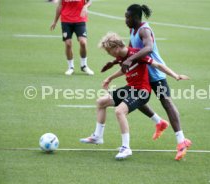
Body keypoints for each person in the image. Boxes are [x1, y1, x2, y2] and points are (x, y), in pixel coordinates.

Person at [101, 4, 192, 161]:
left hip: (156, 74)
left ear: (136, 17)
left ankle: (181, 141)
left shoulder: (144, 30)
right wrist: (114, 62)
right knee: (134, 99)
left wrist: (129, 60)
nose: (125, 20)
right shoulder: (133, 30)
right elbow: (128, 50)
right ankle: (159, 122)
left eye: (127, 17)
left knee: (167, 103)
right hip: (142, 75)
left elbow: (148, 48)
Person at [80, 32, 189, 160]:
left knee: (120, 111)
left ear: (116, 48)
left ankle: (126, 148)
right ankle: (97, 136)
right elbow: (124, 69)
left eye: (109, 51)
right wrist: (110, 78)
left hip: (141, 91)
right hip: (130, 89)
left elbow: (158, 65)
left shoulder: (137, 54)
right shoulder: (121, 57)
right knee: (101, 102)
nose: (109, 54)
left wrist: (176, 75)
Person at [50, 0, 94, 76]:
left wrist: (85, 6)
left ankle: (84, 65)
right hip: (66, 20)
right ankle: (71, 67)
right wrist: (55, 21)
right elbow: (60, 6)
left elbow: (90, 1)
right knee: (68, 44)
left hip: (80, 20)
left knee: (83, 42)